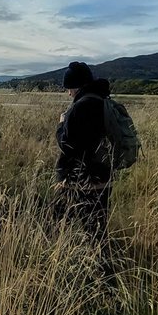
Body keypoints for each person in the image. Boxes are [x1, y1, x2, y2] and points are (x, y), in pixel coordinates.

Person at [55, 61, 115, 239]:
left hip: (80, 180)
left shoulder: (81, 107)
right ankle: (103, 263)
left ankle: (64, 261)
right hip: (104, 177)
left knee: (59, 223)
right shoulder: (104, 101)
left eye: (70, 88)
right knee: (97, 230)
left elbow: (68, 145)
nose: (68, 93)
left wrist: (60, 124)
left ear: (78, 86)